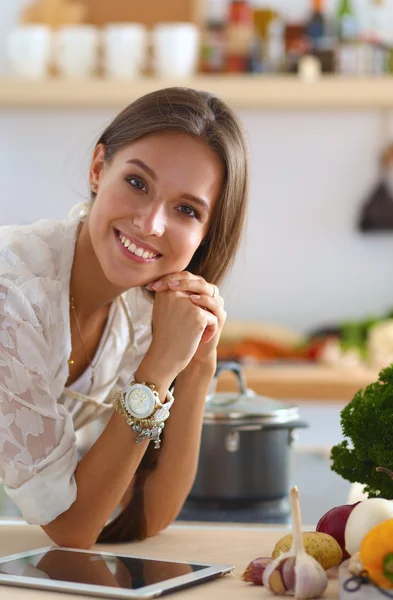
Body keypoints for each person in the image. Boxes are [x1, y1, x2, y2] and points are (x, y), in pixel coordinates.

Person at [0, 87, 249, 548]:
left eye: (186, 209)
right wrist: (155, 374)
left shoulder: (144, 311)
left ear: (205, 235)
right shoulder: (12, 293)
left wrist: (198, 363)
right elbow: (71, 529)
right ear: (98, 169)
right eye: (137, 183)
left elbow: (146, 515)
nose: (151, 223)